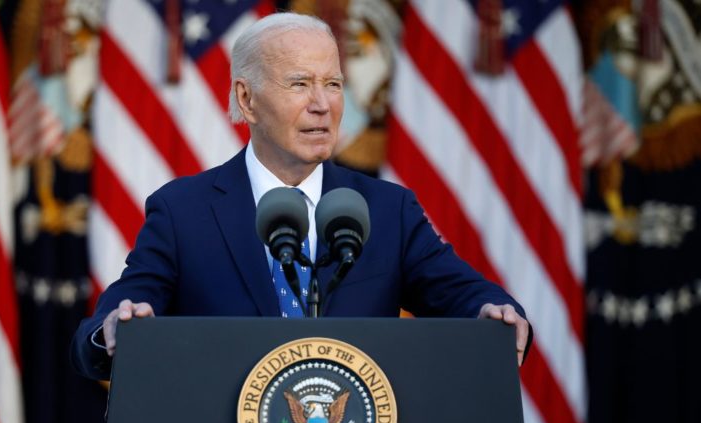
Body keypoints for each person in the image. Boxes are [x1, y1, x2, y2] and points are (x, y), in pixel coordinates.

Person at [71, 12, 530, 381]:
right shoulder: (183, 211)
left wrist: (496, 314)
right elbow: (115, 316)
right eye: (300, 84)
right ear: (247, 100)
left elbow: (467, 296)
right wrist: (113, 329)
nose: (322, 104)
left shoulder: (388, 211)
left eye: (332, 84)